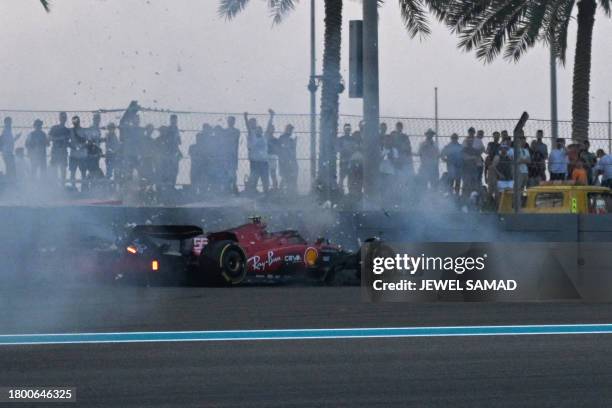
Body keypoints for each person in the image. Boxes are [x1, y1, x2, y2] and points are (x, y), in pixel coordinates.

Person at [244, 112, 268, 194]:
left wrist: (271, 117)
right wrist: (245, 118)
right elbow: (248, 127)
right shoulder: (251, 134)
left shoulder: (264, 137)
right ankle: (253, 193)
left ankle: (266, 194)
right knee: (254, 179)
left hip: (264, 161)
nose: (253, 124)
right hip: (255, 161)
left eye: (254, 122)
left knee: (265, 179)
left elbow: (268, 129)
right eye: (252, 123)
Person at [49, 112, 70, 184]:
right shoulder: (54, 128)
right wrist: (59, 139)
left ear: (66, 119)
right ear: (59, 118)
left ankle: (62, 186)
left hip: (63, 152)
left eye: (64, 118)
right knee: (54, 169)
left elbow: (68, 141)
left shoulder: (67, 130)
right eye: (62, 117)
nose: (63, 119)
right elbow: (49, 138)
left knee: (63, 170)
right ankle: (55, 186)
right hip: (55, 152)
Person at [68, 115, 88, 189]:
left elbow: (87, 141)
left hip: (82, 155)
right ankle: (73, 188)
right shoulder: (71, 131)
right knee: (73, 172)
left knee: (83, 173)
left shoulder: (83, 131)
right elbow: (67, 141)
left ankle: (83, 188)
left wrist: (82, 146)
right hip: (74, 155)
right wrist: (72, 146)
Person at [277, 123, 298, 194]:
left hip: (290, 160)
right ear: (286, 129)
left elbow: (293, 149)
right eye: (290, 129)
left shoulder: (291, 138)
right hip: (284, 160)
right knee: (285, 176)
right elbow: (280, 149)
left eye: (291, 129)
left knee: (291, 176)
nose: (291, 131)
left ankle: (291, 191)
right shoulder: (282, 137)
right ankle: (281, 191)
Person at [0, 117, 21, 182]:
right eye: (9, 122)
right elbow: (8, 141)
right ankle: (9, 181)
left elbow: (10, 141)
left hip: (7, 152)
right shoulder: (6, 131)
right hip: (7, 152)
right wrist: (16, 137)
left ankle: (10, 181)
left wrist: (16, 137)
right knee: (10, 167)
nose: (10, 123)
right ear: (6, 123)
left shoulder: (7, 131)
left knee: (10, 167)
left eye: (10, 122)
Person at [379, 133, 398, 203]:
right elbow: (376, 161)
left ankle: (389, 204)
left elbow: (395, 163)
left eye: (389, 140)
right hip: (381, 172)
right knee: (381, 189)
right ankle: (381, 204)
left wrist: (391, 157)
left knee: (389, 190)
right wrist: (382, 156)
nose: (387, 141)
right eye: (386, 140)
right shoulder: (380, 149)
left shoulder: (394, 150)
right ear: (383, 141)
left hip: (390, 173)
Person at [224, 116, 240, 193]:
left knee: (233, 171)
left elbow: (235, 142)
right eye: (229, 120)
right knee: (226, 171)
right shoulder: (225, 131)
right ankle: (227, 188)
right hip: (226, 153)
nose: (230, 122)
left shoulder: (237, 131)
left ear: (234, 122)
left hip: (233, 154)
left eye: (232, 121)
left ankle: (234, 186)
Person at [337, 123, 354, 192]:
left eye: (349, 129)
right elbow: (338, 149)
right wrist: (344, 150)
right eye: (346, 129)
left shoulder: (352, 139)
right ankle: (340, 191)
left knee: (350, 178)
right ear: (344, 130)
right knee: (342, 177)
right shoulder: (341, 139)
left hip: (351, 161)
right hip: (343, 161)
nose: (348, 130)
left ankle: (350, 191)